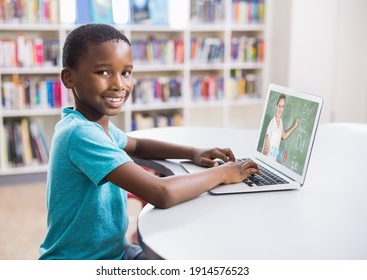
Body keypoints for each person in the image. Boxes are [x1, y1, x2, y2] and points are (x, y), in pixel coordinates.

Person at [39, 23, 260, 260]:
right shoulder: (80, 134)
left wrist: (194, 152)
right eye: (103, 72)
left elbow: (136, 145)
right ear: (69, 78)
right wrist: (224, 174)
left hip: (113, 251)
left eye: (125, 72)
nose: (119, 84)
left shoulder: (95, 126)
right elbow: (161, 193)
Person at [262, 93, 300, 160]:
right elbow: (266, 150)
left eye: (282, 106)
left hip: (273, 162)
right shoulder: (271, 124)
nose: (280, 109)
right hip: (267, 161)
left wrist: (294, 126)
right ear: (276, 106)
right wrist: (280, 155)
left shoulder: (281, 122)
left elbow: (284, 136)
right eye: (279, 106)